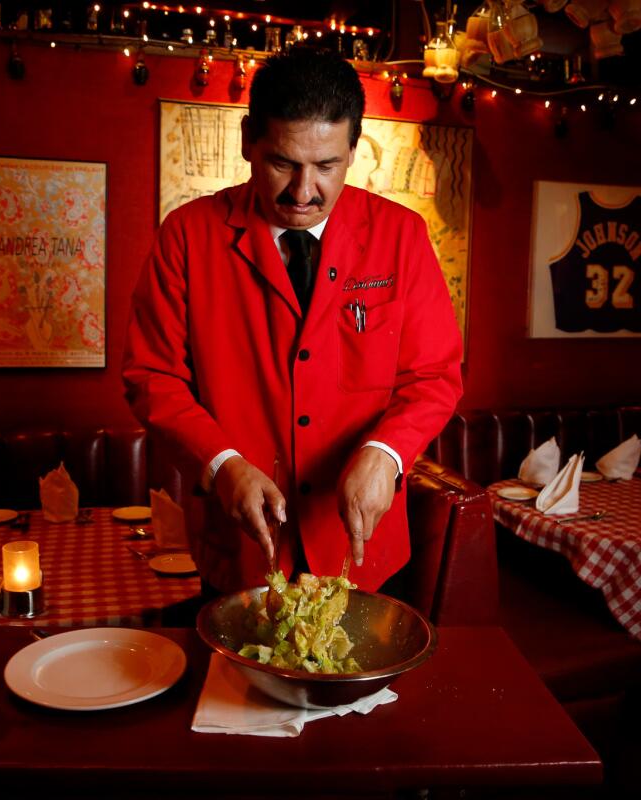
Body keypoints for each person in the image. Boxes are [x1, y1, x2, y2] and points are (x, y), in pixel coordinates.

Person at [123, 47, 462, 594]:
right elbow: (150, 376)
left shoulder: (402, 237)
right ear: (247, 141)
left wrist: (387, 452)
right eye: (283, 162)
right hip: (242, 553)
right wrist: (222, 462)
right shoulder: (186, 236)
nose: (304, 192)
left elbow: (434, 376)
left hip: (363, 554)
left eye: (327, 166)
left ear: (355, 148)